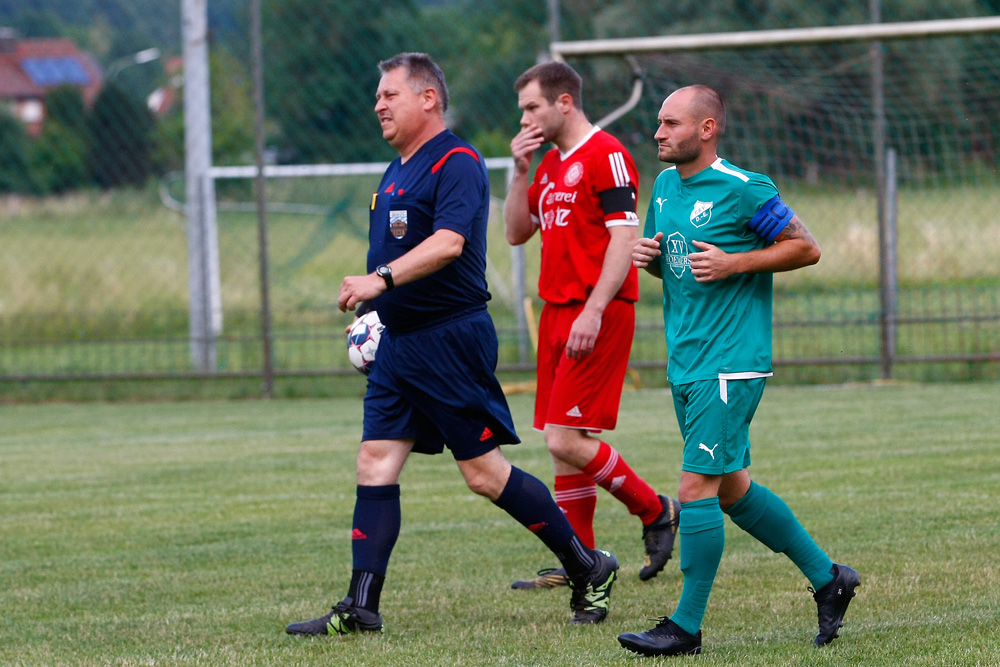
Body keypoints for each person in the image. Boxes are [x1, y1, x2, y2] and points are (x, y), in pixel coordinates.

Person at [284, 53, 620, 637]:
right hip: (400, 342)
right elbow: (394, 260)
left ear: (427, 99)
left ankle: (588, 566)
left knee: (484, 474)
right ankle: (362, 606)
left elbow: (447, 245)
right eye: (378, 96)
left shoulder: (457, 161)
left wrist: (377, 283)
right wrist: (373, 312)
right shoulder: (395, 171)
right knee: (375, 461)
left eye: (390, 95)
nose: (378, 105)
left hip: (449, 340)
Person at [616, 85, 860, 656]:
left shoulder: (746, 189)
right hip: (688, 360)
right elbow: (682, 268)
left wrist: (736, 262)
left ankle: (685, 627)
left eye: (670, 123)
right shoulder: (665, 186)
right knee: (732, 490)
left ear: (706, 129)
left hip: (729, 364)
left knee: (695, 487)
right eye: (657, 123)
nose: (658, 133)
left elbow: (807, 248)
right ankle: (830, 579)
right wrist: (654, 262)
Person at [503, 61, 681, 590]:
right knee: (566, 438)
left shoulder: (607, 155)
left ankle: (655, 510)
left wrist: (595, 308)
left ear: (564, 102)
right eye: (522, 111)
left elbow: (625, 241)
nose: (526, 118)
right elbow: (516, 233)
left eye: (532, 107)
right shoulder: (549, 166)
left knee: (563, 440)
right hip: (558, 312)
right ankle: (579, 560)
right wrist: (518, 171)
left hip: (595, 311)